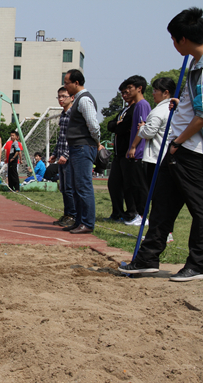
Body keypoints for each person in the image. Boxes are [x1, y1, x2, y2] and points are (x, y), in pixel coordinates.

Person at [119, 7, 203, 281]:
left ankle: (197, 264)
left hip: (190, 151)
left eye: (172, 38)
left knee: (199, 209)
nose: (172, 44)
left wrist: (178, 141)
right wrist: (182, 106)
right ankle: (147, 259)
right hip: (177, 150)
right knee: (162, 206)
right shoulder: (194, 63)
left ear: (182, 38)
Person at [63, 69, 104, 234]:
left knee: (83, 185)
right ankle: (79, 221)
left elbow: (93, 125)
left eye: (67, 83)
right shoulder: (78, 99)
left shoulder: (85, 100)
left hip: (83, 147)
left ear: (76, 83)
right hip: (77, 147)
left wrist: (96, 142)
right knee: (75, 186)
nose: (65, 86)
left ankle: (87, 223)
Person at [132, 77, 176, 185]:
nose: (153, 93)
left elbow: (149, 133)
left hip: (156, 157)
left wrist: (142, 127)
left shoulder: (159, 111)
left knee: (156, 192)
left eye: (155, 90)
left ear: (166, 92)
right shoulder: (174, 109)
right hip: (167, 155)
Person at [106, 81, 137, 223]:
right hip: (118, 154)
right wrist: (116, 125)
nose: (125, 95)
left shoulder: (137, 108)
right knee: (113, 184)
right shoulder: (124, 110)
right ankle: (117, 212)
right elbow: (110, 125)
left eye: (127, 91)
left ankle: (131, 213)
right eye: (122, 93)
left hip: (128, 153)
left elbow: (122, 128)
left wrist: (118, 126)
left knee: (128, 185)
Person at [123, 75, 151, 226]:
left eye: (130, 88)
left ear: (139, 88)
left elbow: (143, 127)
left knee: (140, 185)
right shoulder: (137, 105)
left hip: (139, 152)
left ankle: (143, 216)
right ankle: (140, 215)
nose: (127, 91)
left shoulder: (142, 105)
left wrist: (133, 146)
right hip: (136, 150)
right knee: (134, 184)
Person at [49, 87, 75, 226]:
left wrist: (66, 154)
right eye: (59, 96)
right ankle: (67, 214)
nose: (61, 99)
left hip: (69, 157)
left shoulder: (73, 114)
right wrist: (54, 154)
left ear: (72, 98)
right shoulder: (63, 115)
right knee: (63, 187)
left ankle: (73, 215)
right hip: (60, 156)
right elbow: (61, 137)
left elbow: (73, 138)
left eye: (64, 96)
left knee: (70, 188)